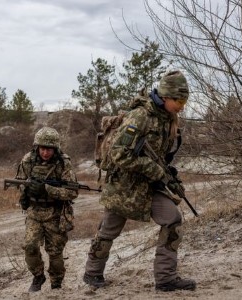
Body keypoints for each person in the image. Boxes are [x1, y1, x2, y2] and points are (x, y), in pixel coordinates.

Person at [83, 70, 197, 292]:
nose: (182, 105)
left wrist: (168, 175)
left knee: (172, 219)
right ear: (165, 97)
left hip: (149, 186)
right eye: (179, 100)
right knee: (108, 231)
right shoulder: (140, 117)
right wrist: (153, 169)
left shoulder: (168, 119)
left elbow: (160, 157)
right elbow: (119, 154)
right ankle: (92, 272)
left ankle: (165, 279)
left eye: (185, 100)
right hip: (124, 187)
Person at [15, 126, 78, 292]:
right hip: (34, 212)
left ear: (55, 149)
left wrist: (48, 190)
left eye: (49, 149)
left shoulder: (63, 163)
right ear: (37, 147)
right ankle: (38, 276)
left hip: (55, 214)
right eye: (43, 148)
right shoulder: (28, 160)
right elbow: (19, 183)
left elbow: (72, 192)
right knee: (30, 247)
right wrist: (28, 189)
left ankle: (56, 284)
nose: (45, 153)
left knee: (55, 253)